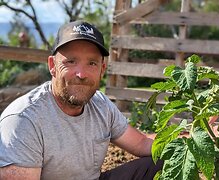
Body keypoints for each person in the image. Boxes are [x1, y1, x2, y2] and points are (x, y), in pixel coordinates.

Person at [0, 20, 163, 180]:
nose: (81, 74)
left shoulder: (100, 105)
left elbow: (141, 143)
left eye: (91, 63)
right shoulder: (23, 119)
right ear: (52, 65)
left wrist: (184, 137)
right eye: (71, 62)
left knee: (164, 163)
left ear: (102, 70)